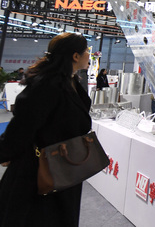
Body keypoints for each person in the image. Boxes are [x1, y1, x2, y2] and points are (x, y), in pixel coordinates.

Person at [0, 33, 91, 227]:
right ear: (75, 56)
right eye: (86, 51)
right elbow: (24, 125)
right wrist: (7, 151)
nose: (89, 55)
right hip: (39, 170)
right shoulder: (48, 84)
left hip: (65, 167)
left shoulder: (71, 81)